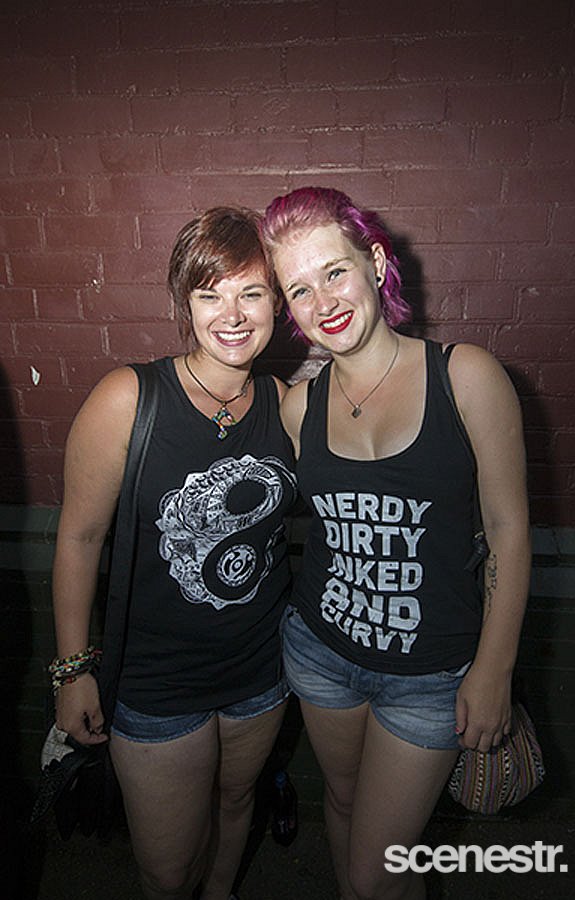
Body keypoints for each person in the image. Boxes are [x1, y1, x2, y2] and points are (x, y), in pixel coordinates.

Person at [261, 187, 531, 900]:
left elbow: (508, 529)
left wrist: (495, 668)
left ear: (376, 264)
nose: (323, 302)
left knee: (378, 873)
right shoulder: (299, 406)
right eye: (299, 290)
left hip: (431, 676)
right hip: (321, 653)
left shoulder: (467, 376)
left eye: (335, 272)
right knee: (344, 804)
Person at [50, 207, 297, 900]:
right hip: (156, 683)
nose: (233, 315)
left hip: (260, 670)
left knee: (235, 805)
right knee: (165, 870)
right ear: (184, 304)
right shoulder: (128, 398)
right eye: (210, 294)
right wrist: (72, 671)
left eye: (251, 293)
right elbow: (78, 539)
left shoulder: (286, 403)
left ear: (277, 304)